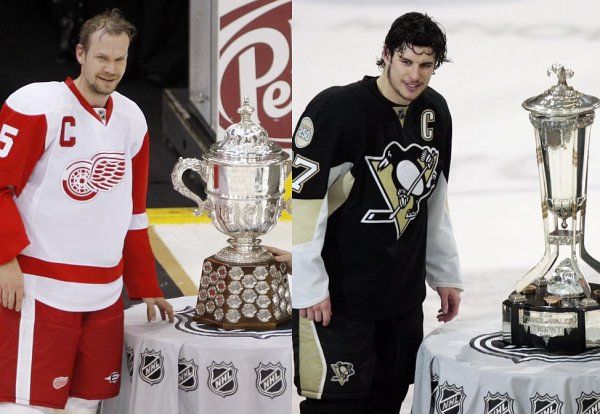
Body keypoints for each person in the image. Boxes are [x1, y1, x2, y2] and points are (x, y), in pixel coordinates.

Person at [0, 10, 174, 414]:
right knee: (28, 406)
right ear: (80, 53)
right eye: (102, 58)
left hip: (105, 295)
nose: (111, 69)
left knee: (85, 404)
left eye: (120, 59)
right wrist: (5, 259)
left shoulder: (132, 118)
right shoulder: (35, 104)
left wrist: (145, 282)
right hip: (39, 290)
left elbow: (134, 210)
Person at [291, 12, 463, 413]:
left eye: (426, 65)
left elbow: (434, 202)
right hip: (339, 303)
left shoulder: (434, 114)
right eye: (406, 61)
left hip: (401, 301)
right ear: (385, 55)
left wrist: (445, 274)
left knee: (387, 404)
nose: (415, 75)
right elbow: (307, 205)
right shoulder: (337, 109)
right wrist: (311, 284)